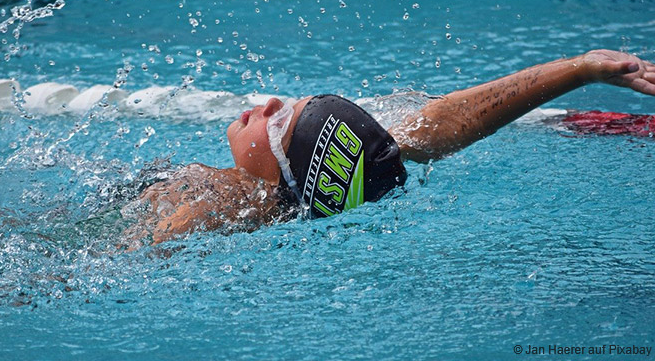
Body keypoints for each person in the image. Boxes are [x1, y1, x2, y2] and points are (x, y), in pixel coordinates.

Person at [119, 49, 655, 249]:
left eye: (280, 118)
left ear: (287, 170)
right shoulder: (311, 188)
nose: (269, 101)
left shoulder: (228, 201)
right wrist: (581, 69)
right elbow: (440, 124)